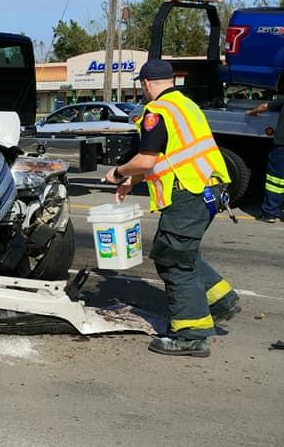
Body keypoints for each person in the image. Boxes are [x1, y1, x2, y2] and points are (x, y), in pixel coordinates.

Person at [104, 59, 240, 358]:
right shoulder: (185, 105)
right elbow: (171, 155)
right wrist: (131, 180)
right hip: (208, 189)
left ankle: (191, 335)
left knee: (173, 259)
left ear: (145, 84)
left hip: (186, 192)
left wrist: (118, 173)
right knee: (182, 250)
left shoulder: (156, 112)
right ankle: (220, 300)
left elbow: (146, 159)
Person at [245, 96, 284, 222]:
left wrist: (251, 112)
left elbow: (265, 106)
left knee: (275, 180)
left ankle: (270, 213)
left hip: (282, 146)